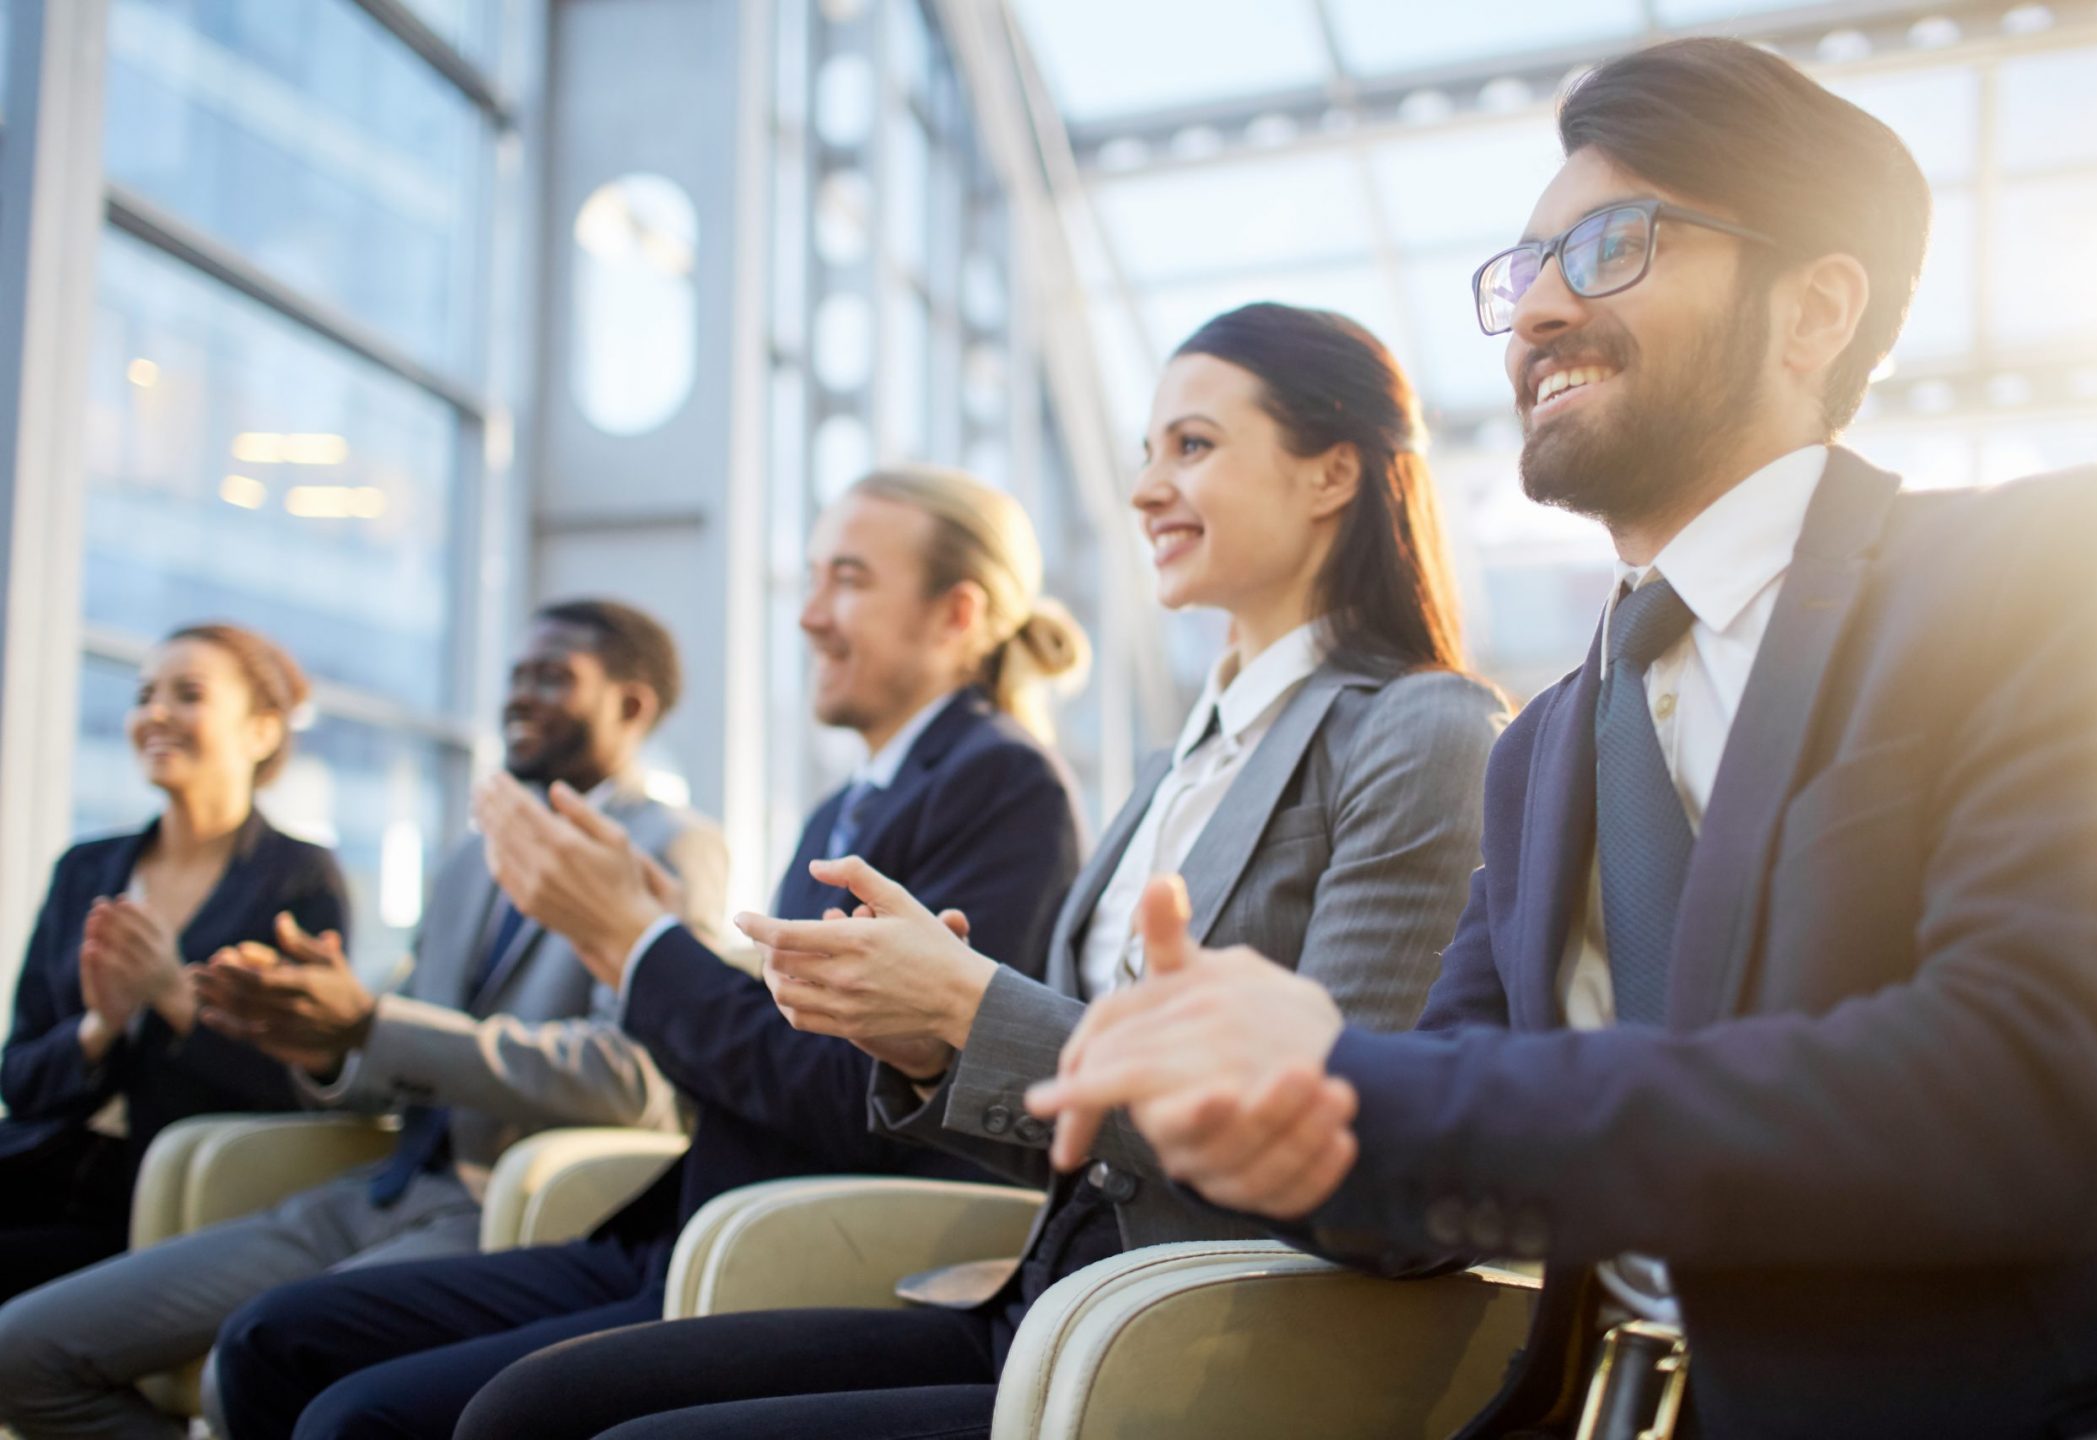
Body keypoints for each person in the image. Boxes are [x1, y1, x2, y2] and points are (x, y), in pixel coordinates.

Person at [1024, 37, 2097, 1440]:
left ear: (1814, 310)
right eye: (1524, 267)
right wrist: (1269, 1127)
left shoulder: (2057, 569)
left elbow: (2027, 1092)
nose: (1536, 312)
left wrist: (1356, 1083)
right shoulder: (1541, 747)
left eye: (1612, 244)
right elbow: (1425, 1152)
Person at [452, 302, 1512, 1440]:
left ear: (1330, 474)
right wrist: (926, 1047)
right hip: (1044, 1300)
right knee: (533, 1408)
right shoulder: (1177, 764)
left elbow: (1348, 1134)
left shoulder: (1420, 727)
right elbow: (1061, 1122)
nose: (1148, 489)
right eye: (1145, 454)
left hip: (1189, 1340)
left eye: (1192, 447)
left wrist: (973, 1004)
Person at [208, 466, 1090, 1440]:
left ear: (954, 614)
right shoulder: (849, 804)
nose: (807, 616)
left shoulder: (1003, 787)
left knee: (357, 1414)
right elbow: (788, 1039)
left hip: (777, 1246)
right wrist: (661, 941)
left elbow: (863, 1099)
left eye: (846, 579)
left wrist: (635, 940)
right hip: (684, 1224)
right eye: (810, 578)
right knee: (272, 1340)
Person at [0, 599, 729, 1440]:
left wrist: (372, 1025)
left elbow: (639, 1079)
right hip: (378, 1186)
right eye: (514, 677)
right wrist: (320, 1041)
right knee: (25, 1350)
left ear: (631, 707)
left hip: (501, 1207)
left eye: (551, 677)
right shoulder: (474, 857)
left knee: (259, 1366)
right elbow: (399, 1035)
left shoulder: (672, 843)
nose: (518, 697)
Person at [0, 624, 345, 1303]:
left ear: (261, 732)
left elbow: (299, 1091)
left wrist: (174, 998)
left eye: (188, 695)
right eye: (144, 695)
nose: (155, 714)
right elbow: (19, 1077)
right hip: (39, 1167)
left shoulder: (297, 880)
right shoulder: (86, 870)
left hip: (168, 1202)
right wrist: (99, 1027)